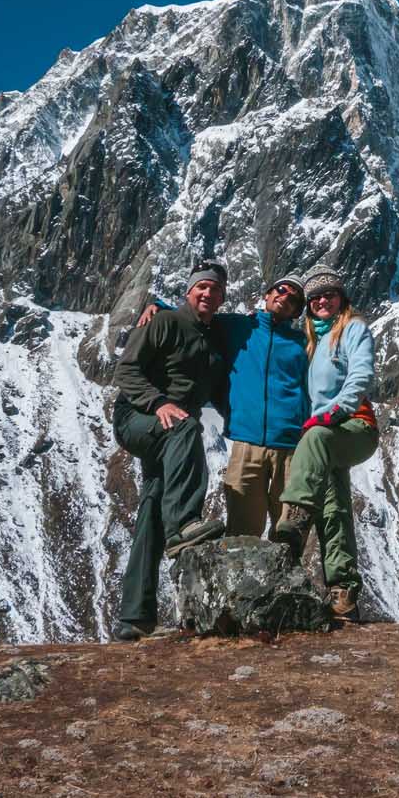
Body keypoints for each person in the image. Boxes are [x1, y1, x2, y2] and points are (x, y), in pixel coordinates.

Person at [111, 260, 231, 641]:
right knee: (184, 425)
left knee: (151, 505)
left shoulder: (214, 338)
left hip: (169, 434)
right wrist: (157, 401)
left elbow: (218, 392)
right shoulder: (162, 322)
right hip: (138, 418)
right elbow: (126, 370)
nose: (208, 293)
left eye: (215, 289)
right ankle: (183, 524)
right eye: (202, 288)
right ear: (189, 291)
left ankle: (134, 617)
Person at [140, 273, 310, 539]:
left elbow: (312, 389)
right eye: (281, 289)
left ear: (297, 311)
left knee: (288, 534)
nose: (284, 296)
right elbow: (196, 318)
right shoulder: (238, 327)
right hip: (245, 445)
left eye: (293, 297)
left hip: (290, 448)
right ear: (267, 295)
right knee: (241, 534)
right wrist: (160, 308)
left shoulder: (303, 344)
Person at [273, 264, 379, 621]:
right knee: (334, 509)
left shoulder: (353, 329)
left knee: (316, 437)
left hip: (354, 427)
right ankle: (343, 592)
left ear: (341, 297)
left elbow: (361, 375)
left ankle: (296, 518)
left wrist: (332, 414)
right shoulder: (311, 341)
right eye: (315, 297)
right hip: (326, 436)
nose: (321, 301)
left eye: (328, 294)